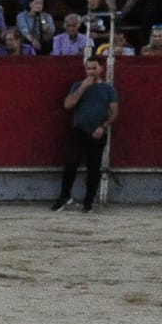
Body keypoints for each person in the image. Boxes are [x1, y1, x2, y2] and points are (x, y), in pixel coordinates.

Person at [53, 55, 118, 212]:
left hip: (98, 131)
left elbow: (114, 112)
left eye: (94, 68)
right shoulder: (78, 85)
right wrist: (83, 87)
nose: (91, 71)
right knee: (71, 163)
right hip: (78, 130)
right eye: (88, 68)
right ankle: (64, 196)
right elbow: (68, 105)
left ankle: (88, 201)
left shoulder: (108, 89)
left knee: (93, 167)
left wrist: (103, 126)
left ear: (101, 68)